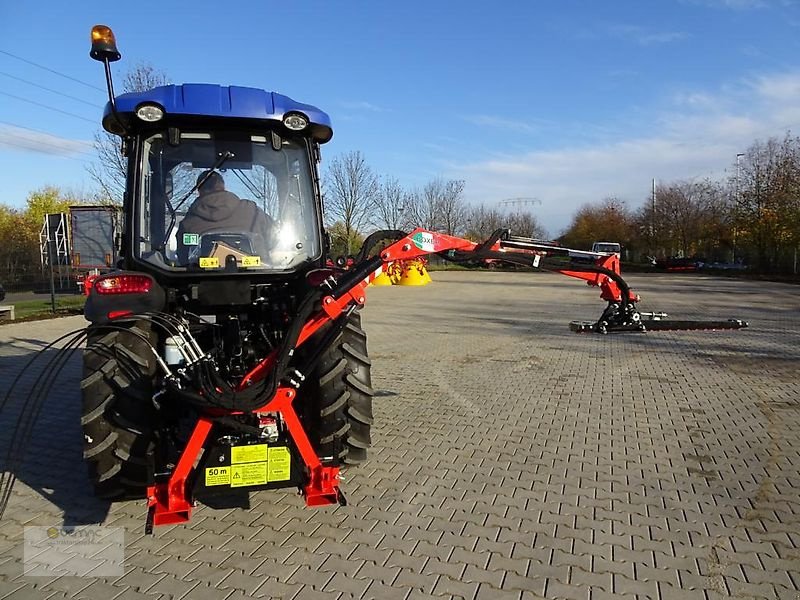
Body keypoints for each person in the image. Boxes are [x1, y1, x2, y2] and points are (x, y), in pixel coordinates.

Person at [177, 171, 272, 263]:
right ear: (223, 186)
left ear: (199, 190)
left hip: (202, 277)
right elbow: (275, 239)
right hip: (258, 275)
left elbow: (183, 258)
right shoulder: (253, 210)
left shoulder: (188, 223)